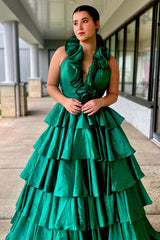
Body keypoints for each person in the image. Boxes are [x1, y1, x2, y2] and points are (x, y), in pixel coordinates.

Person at [5, 5, 160, 240]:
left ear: (97, 24)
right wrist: (66, 101)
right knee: (66, 178)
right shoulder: (61, 53)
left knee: (106, 180)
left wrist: (100, 103)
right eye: (75, 22)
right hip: (67, 124)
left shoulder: (109, 59)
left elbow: (113, 94)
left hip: (99, 127)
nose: (79, 27)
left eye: (85, 21)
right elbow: (50, 86)